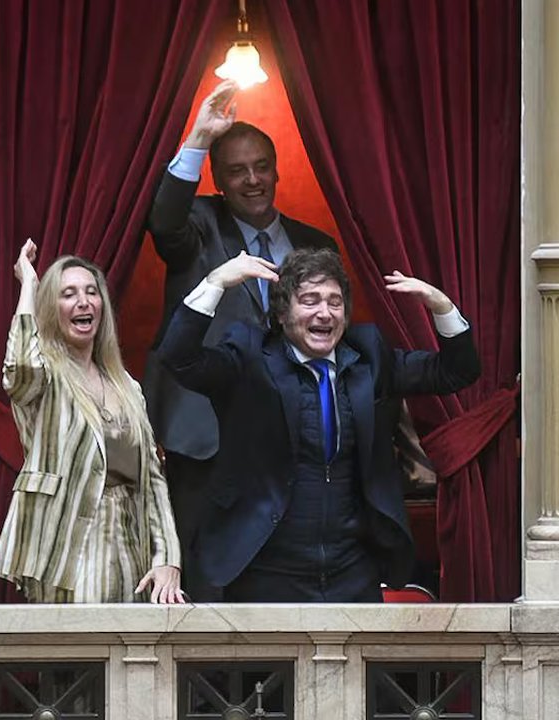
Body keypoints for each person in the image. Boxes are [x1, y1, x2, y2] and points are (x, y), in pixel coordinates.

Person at [157, 248, 480, 602]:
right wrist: (216, 282)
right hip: (266, 569)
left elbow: (457, 370)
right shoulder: (249, 357)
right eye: (309, 301)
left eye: (334, 302)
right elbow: (179, 358)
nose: (324, 312)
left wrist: (441, 306)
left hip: (352, 568)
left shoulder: (369, 357)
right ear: (282, 314)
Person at [144, 80, 338, 599]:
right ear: (218, 180)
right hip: (204, 434)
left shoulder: (313, 243)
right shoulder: (199, 226)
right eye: (236, 170)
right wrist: (199, 138)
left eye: (261, 167)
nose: (252, 180)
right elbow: (162, 222)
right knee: (203, 576)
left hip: (287, 434)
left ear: (277, 170)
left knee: (275, 575)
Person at [0, 239, 184, 604]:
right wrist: (29, 288)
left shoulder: (126, 385)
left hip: (129, 546)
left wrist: (168, 559)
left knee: (131, 657)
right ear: (51, 309)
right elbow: (21, 368)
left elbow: (153, 479)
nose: (83, 302)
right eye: (68, 294)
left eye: (91, 292)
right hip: (68, 548)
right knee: (82, 656)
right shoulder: (45, 374)